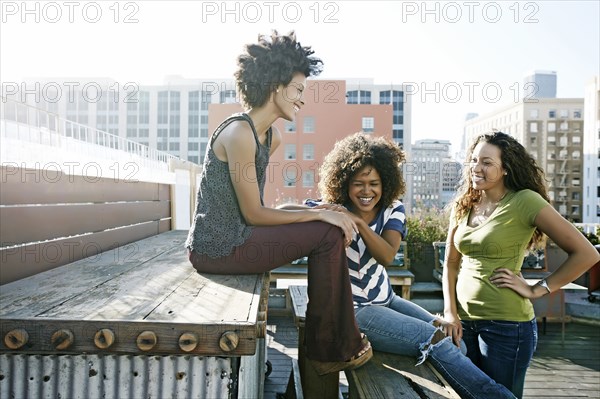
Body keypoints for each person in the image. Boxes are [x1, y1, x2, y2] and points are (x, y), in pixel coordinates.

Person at [185, 31, 373, 376]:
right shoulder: (239, 134)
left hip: (240, 239)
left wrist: (318, 211)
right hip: (216, 248)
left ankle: (330, 344)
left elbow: (264, 210)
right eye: (298, 90)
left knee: (325, 226)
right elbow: (253, 215)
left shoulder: (271, 137)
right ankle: (328, 349)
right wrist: (318, 219)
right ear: (275, 85)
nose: (302, 100)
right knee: (326, 234)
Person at [284, 132, 516, 398]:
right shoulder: (334, 210)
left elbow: (386, 254)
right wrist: (319, 212)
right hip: (355, 311)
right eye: (359, 183)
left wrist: (358, 222)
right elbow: (284, 209)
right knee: (434, 341)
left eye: (374, 183)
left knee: (453, 341)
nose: (367, 191)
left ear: (386, 183)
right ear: (344, 182)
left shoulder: (392, 209)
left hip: (387, 299)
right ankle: (496, 395)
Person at [442, 131, 600, 398]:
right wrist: (450, 313)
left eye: (487, 162)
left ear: (505, 169)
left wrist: (537, 289)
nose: (476, 168)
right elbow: (450, 262)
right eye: (473, 160)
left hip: (507, 327)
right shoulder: (464, 204)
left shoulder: (524, 201)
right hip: (464, 323)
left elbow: (587, 253)